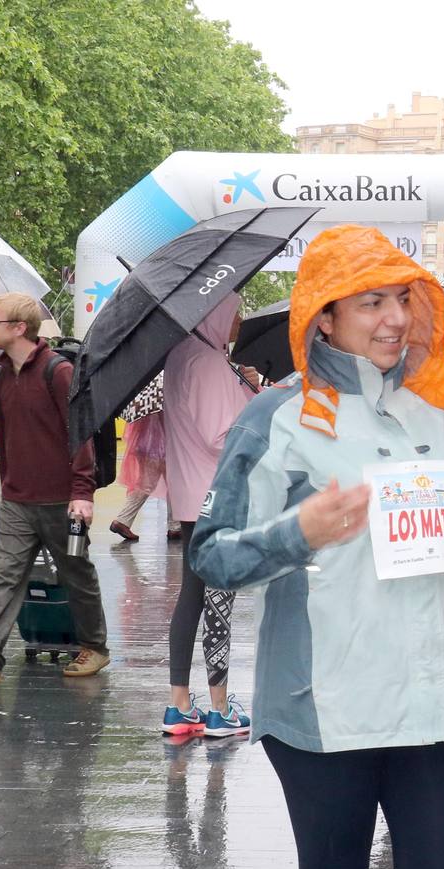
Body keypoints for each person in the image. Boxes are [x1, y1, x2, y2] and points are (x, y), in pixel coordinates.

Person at [191, 225, 444, 869]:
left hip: (438, 711)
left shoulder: (435, 413)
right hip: (326, 714)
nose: (397, 319)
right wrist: (299, 532)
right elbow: (210, 556)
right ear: (326, 316)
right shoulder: (277, 417)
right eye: (372, 302)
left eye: (403, 298)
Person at [0, 292, 111, 686]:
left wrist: (82, 492)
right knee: (6, 575)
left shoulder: (57, 372)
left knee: (77, 572)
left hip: (62, 501)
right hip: (19, 501)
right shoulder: (1, 374)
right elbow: (4, 435)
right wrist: (7, 485)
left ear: (19, 328)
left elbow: (80, 434)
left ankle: (95, 646)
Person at [161, 294, 256, 736]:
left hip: (190, 495)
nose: (238, 321)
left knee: (192, 598)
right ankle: (220, 707)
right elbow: (225, 435)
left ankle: (179, 703)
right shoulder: (209, 363)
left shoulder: (183, 356)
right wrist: (256, 406)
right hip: (219, 496)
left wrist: (246, 385)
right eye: (234, 311)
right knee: (220, 601)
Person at [109, 411, 167, 543]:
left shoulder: (146, 400)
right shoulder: (161, 399)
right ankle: (122, 520)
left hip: (146, 442)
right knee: (146, 483)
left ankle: (175, 525)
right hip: (157, 445)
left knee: (172, 482)